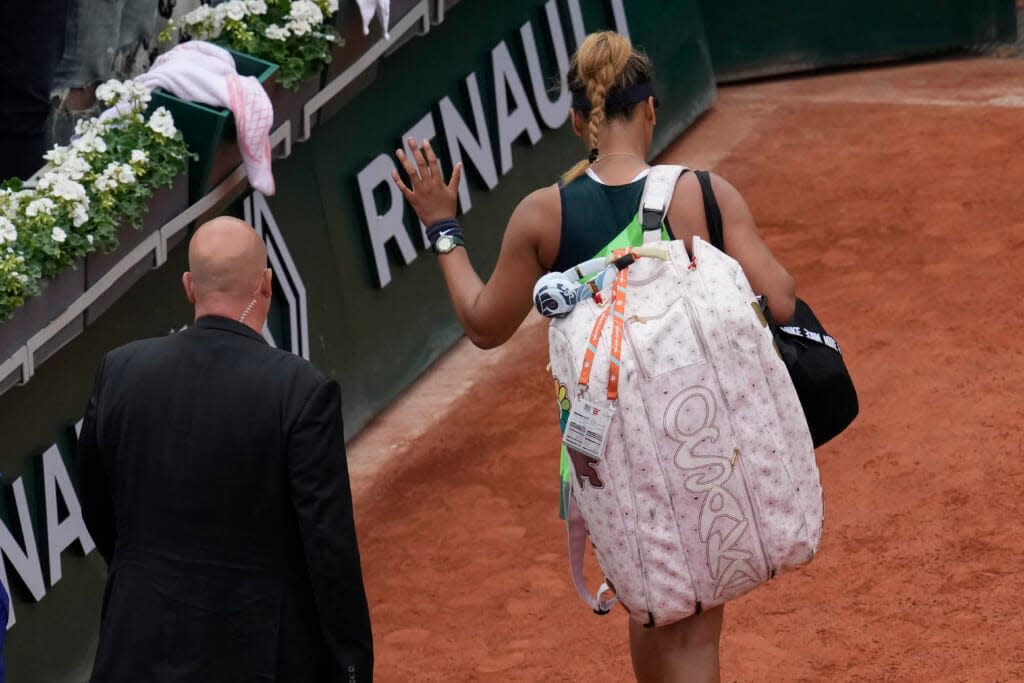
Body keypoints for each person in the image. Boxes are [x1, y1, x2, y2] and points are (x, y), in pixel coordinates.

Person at [393, 31, 795, 683]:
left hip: (606, 457)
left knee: (650, 599)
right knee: (695, 625)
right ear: (653, 109)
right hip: (700, 435)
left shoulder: (541, 215)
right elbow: (779, 299)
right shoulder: (706, 194)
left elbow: (483, 323)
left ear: (579, 120)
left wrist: (443, 227)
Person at [76, 217, 373, 682]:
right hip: (253, 653)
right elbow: (327, 547)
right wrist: (351, 669)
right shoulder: (300, 389)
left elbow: (96, 503)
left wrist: (143, 572)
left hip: (134, 645)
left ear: (189, 287)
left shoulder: (119, 370)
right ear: (268, 285)